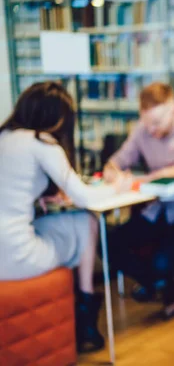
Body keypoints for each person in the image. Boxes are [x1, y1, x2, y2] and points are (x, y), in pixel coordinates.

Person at [0, 82, 132, 353]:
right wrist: (118, 187)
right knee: (87, 221)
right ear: (56, 118)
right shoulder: (41, 141)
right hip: (16, 258)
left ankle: (80, 315)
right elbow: (86, 198)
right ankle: (85, 317)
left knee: (61, 223)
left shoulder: (4, 136)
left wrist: (38, 197)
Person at [103, 82, 174, 319]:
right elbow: (117, 161)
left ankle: (158, 282)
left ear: (173, 109)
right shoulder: (142, 130)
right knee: (107, 242)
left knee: (161, 262)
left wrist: (167, 173)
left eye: (157, 123)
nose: (152, 130)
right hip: (155, 211)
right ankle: (164, 286)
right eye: (147, 123)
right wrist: (113, 173)